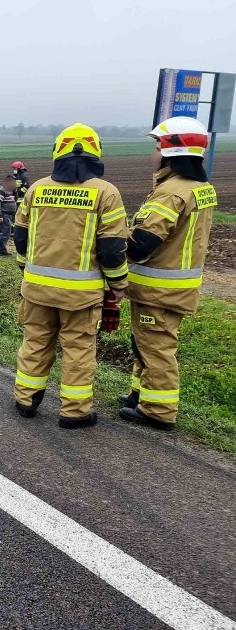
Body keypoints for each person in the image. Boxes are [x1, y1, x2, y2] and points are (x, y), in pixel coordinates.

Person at [13, 123, 129, 429]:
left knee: (35, 342)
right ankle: (75, 412)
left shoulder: (37, 189)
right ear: (95, 153)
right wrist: (118, 285)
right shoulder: (106, 193)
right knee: (78, 351)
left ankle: (25, 400)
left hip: (36, 289)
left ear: (58, 152)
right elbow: (113, 249)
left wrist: (25, 268)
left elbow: (21, 237)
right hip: (81, 295)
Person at [119, 116, 217, 431]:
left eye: (158, 146)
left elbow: (141, 244)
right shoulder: (201, 188)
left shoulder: (171, 193)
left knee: (156, 347)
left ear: (172, 152)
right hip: (175, 286)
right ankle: (141, 395)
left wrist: (114, 233)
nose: (154, 153)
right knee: (144, 343)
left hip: (158, 288)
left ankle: (158, 410)